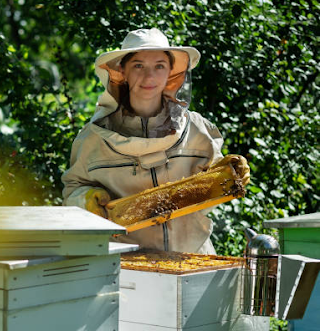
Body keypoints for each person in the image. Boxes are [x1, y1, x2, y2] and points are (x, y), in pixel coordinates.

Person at [62, 28, 249, 255]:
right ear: (122, 71)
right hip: (124, 266)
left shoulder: (198, 129)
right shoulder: (92, 138)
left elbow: (214, 191)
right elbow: (71, 192)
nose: (149, 77)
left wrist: (228, 175)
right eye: (138, 66)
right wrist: (85, 199)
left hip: (191, 258)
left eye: (159, 66)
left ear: (171, 71)